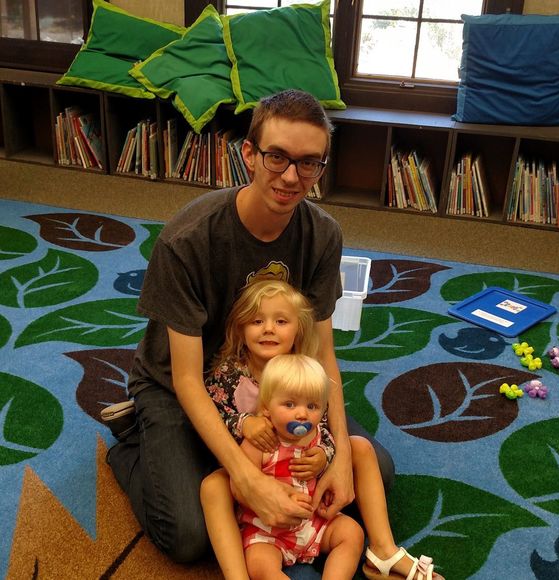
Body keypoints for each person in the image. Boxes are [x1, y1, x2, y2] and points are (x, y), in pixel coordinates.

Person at [102, 88, 394, 564]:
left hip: (274, 382)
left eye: (309, 162)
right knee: (189, 536)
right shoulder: (187, 239)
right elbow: (186, 378)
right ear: (250, 154)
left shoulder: (323, 234)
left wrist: (339, 454)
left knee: (373, 471)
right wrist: (247, 478)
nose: (291, 176)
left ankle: (225, 454)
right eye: (277, 157)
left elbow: (322, 354)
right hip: (180, 384)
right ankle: (133, 442)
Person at [201, 280, 443, 580]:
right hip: (264, 519)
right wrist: (243, 423)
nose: (268, 329)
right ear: (240, 328)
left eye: (281, 321)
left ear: (299, 329)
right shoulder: (229, 374)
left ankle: (383, 550)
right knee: (257, 561)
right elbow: (211, 417)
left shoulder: (308, 370)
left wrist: (324, 454)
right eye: (257, 321)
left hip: (312, 516)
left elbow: (324, 423)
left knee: (352, 527)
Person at [234, 353, 365, 578]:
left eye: (312, 406)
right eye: (290, 404)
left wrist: (323, 458)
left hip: (313, 522)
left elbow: (332, 464)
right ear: (266, 408)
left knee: (352, 533)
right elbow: (240, 488)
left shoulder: (318, 436)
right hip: (268, 532)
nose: (302, 414)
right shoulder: (259, 443)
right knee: (258, 565)